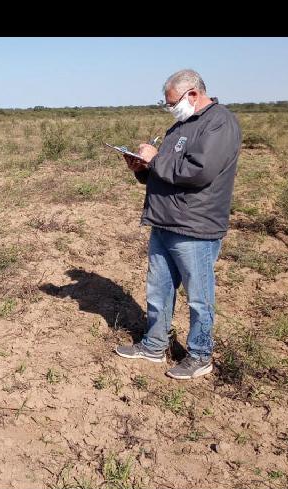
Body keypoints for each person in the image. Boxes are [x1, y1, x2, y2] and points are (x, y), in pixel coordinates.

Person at [115, 69, 242, 380]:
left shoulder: (220, 123)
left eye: (172, 102)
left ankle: (200, 354)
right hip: (165, 221)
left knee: (199, 296)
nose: (170, 108)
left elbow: (199, 172)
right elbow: (167, 170)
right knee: (158, 291)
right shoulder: (180, 126)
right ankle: (154, 345)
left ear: (193, 95)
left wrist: (156, 158)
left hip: (195, 227)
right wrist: (141, 167)